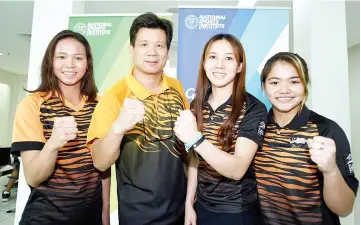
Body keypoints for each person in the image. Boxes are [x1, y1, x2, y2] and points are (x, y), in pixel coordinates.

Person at [87, 12, 188, 225]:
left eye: (159, 46)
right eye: (144, 44)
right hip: (139, 216)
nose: (152, 52)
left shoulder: (177, 87)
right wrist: (118, 128)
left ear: (168, 51)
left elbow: (187, 147)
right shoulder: (114, 96)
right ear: (131, 49)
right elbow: (100, 161)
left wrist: (190, 201)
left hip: (181, 211)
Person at [11, 30, 110, 225]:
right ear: (51, 62)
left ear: (87, 63)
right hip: (44, 218)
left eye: (78, 58)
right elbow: (33, 177)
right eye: (62, 57)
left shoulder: (101, 104)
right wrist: (53, 144)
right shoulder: (32, 105)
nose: (70, 64)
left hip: (91, 217)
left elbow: (103, 166)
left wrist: (105, 213)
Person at [254, 52, 359, 225]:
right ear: (264, 87)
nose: (284, 90)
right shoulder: (257, 128)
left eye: (294, 81)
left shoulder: (326, 130)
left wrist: (330, 170)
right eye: (274, 82)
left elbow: (344, 208)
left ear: (305, 85)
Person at [174, 33, 267, 225]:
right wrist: (189, 203)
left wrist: (195, 138)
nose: (219, 65)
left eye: (229, 58)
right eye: (213, 57)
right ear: (204, 62)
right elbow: (194, 160)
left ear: (240, 66)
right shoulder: (196, 105)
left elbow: (238, 169)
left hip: (237, 211)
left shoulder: (253, 107)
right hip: (202, 207)